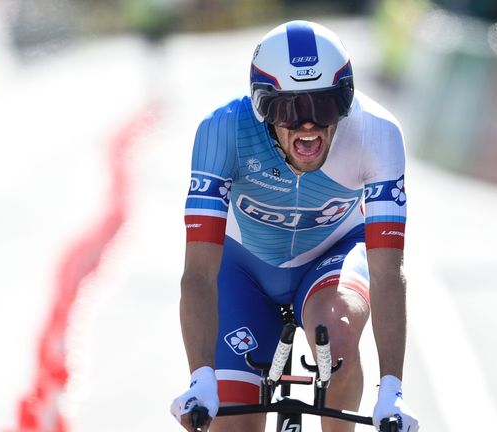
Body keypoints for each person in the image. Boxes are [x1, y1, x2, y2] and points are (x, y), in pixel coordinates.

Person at [170, 20, 419, 432]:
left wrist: (392, 389)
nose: (308, 125)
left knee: (334, 333)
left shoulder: (378, 132)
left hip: (330, 258)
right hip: (242, 271)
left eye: (323, 107)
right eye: (289, 109)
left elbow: (387, 271)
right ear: (261, 107)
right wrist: (201, 378)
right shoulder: (222, 130)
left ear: (346, 99)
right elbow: (198, 273)